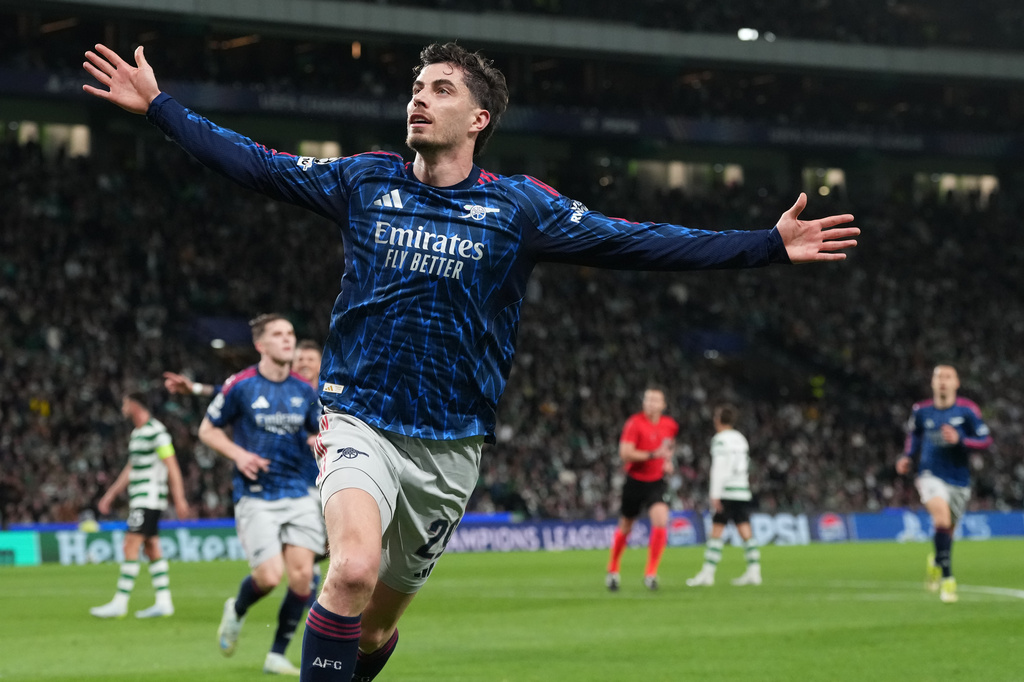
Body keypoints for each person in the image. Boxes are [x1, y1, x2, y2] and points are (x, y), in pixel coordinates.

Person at [83, 41, 858, 680]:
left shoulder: (520, 207)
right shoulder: (365, 181)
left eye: (441, 89)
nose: (418, 98)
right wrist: (161, 107)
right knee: (349, 570)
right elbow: (255, 162)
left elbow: (637, 240)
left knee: (378, 626)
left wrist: (766, 247)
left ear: (478, 117)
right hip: (359, 420)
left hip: (450, 447)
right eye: (416, 86)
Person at [198, 314, 324, 674]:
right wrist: (239, 454)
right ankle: (236, 610)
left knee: (303, 578)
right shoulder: (241, 386)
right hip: (256, 496)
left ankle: (276, 654)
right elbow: (207, 430)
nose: (288, 340)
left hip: (299, 493)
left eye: (290, 333)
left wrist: (317, 441)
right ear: (261, 345)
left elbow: (314, 432)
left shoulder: (304, 390)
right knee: (270, 577)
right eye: (279, 335)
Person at [895, 364, 992, 603]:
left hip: (959, 480)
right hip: (929, 474)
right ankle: (948, 580)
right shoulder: (921, 411)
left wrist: (961, 440)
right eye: (938, 377)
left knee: (948, 532)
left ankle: (936, 561)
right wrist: (907, 456)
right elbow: (914, 436)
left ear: (956, 383)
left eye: (948, 377)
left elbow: (985, 440)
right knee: (941, 520)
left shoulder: (967, 411)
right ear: (932, 382)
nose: (942, 381)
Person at [90, 392, 190, 619]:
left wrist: (180, 498)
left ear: (136, 405)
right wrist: (110, 495)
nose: (123, 406)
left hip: (149, 497)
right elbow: (131, 468)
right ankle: (164, 602)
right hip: (141, 497)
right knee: (151, 547)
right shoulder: (138, 434)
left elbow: (171, 465)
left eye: (126, 402)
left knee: (130, 543)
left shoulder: (157, 432)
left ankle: (120, 602)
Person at [605, 387, 677, 591]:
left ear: (663, 405)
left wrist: (668, 461)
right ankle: (613, 569)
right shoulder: (634, 424)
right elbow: (625, 454)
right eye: (648, 399)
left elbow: (669, 445)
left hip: (656, 481)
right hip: (635, 480)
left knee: (661, 520)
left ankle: (651, 573)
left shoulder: (669, 425)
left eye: (656, 400)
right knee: (626, 525)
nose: (651, 403)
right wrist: (654, 455)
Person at [686, 403, 761, 587]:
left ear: (719, 419)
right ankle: (754, 571)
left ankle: (708, 573)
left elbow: (719, 468)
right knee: (745, 530)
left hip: (727, 490)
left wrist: (715, 494)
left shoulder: (720, 439)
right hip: (742, 489)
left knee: (717, 531)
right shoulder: (741, 438)